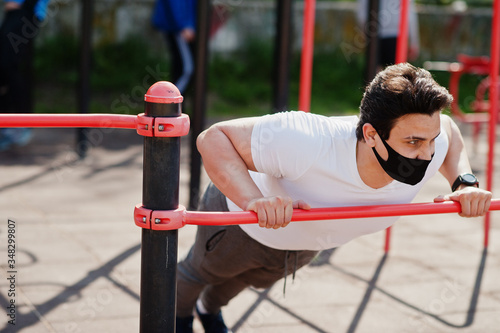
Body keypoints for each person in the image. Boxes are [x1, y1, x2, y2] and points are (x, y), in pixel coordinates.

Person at [176, 63, 492, 333]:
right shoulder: (307, 140)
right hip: (244, 223)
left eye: (430, 140)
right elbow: (213, 138)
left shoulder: (431, 139)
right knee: (197, 275)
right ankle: (176, 320)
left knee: (245, 281)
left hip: (304, 243)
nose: (426, 154)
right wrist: (252, 200)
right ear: (370, 135)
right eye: (413, 142)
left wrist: (463, 183)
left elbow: (448, 132)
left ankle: (208, 310)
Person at [0, 0, 50, 150]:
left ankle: (22, 125)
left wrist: (25, 5)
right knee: (4, 69)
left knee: (9, 66)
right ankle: (8, 125)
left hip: (26, 12)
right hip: (15, 13)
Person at [151, 0, 196, 95]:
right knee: (187, 70)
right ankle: (169, 101)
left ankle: (174, 104)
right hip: (181, 28)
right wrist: (184, 25)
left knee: (181, 68)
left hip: (184, 26)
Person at [357, 0, 420, 67]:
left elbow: (361, 12)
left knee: (375, 71)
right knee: (396, 72)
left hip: (375, 34)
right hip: (396, 34)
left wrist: (365, 33)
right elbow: (410, 12)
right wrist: (414, 41)